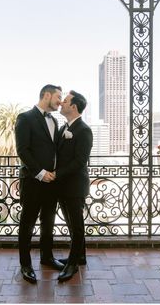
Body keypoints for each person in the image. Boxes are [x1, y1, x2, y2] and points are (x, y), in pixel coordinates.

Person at [15, 84, 64, 284]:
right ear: (46, 95)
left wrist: (55, 174)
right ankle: (26, 265)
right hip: (33, 181)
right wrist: (40, 173)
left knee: (48, 222)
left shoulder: (54, 120)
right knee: (27, 224)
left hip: (52, 183)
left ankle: (47, 257)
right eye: (58, 96)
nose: (60, 101)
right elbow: (23, 150)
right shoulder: (25, 118)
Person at [55, 90, 93, 282]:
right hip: (62, 186)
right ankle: (81, 256)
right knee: (71, 224)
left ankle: (72, 264)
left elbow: (80, 161)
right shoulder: (63, 129)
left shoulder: (84, 130)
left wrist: (56, 174)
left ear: (74, 107)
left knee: (76, 226)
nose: (61, 103)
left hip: (75, 186)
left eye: (66, 101)